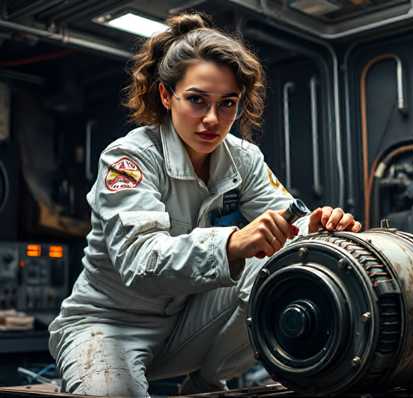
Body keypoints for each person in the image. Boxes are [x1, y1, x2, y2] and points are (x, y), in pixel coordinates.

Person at [48, 12, 361, 397]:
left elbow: (287, 224)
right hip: (107, 325)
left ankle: (206, 384)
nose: (212, 120)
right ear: (166, 95)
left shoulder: (243, 157)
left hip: (185, 326)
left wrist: (321, 227)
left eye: (227, 103)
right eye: (196, 100)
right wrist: (231, 244)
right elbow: (140, 260)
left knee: (273, 263)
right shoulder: (128, 158)